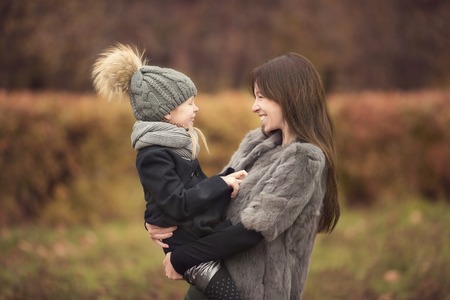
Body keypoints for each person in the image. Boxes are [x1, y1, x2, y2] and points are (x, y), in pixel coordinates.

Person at [147, 52, 340, 299]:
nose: (254, 106)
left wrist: (184, 257)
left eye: (261, 97)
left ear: (289, 97)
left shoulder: (304, 159)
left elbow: (250, 232)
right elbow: (211, 201)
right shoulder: (256, 143)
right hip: (213, 278)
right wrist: (157, 219)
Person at [91, 43, 263, 300]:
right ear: (168, 112)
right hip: (192, 253)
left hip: (201, 236)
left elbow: (195, 190)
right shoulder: (153, 155)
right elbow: (177, 204)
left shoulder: (177, 144)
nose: (196, 109)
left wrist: (227, 180)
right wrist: (221, 184)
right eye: (190, 103)